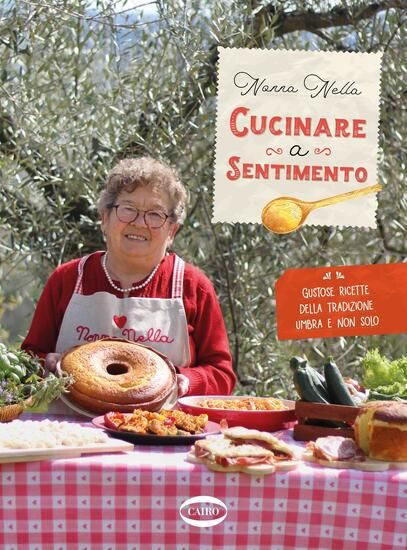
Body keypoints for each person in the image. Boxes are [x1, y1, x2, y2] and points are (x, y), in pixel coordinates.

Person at [22, 156, 236, 408]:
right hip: (72, 436)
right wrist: (48, 365)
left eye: (155, 214)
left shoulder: (193, 286)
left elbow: (222, 375)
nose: (139, 222)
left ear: (171, 231)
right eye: (128, 208)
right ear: (104, 218)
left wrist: (184, 381)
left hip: (162, 436)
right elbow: (28, 360)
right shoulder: (67, 279)